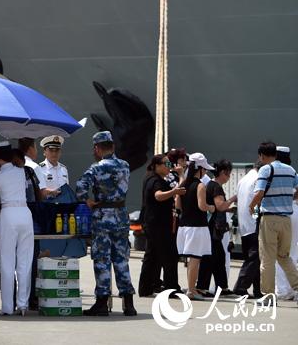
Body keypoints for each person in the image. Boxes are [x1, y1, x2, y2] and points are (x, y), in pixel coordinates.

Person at [76, 130, 137, 317]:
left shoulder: (96, 168)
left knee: (102, 260)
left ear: (97, 148)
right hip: (120, 216)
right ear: (113, 145)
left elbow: (80, 187)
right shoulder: (125, 165)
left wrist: (87, 200)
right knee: (121, 259)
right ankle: (128, 303)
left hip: (102, 217)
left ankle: (102, 302)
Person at [0, 142, 35, 316]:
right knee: (25, 261)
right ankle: (23, 304)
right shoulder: (22, 172)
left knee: (8, 262)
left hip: (8, 214)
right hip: (25, 213)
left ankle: (8, 307)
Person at [249, 141, 298, 305]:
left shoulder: (265, 169)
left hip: (269, 219)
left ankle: (269, 297)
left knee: (267, 259)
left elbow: (259, 193)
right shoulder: (291, 170)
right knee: (284, 257)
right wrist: (290, 198)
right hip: (286, 220)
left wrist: (251, 208)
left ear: (261, 155)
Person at [137, 154, 185, 297]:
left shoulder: (152, 178)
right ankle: (171, 288)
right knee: (169, 256)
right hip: (158, 224)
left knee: (152, 257)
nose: (169, 167)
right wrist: (173, 192)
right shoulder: (155, 180)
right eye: (166, 164)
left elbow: (178, 189)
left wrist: (180, 177)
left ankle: (145, 288)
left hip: (153, 223)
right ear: (157, 165)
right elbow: (158, 195)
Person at [174, 156, 215, 300]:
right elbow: (202, 206)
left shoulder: (183, 183)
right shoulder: (200, 185)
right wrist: (211, 207)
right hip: (197, 227)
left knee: (191, 260)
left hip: (184, 226)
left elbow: (178, 205)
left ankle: (191, 288)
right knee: (195, 260)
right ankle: (191, 290)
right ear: (201, 169)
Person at [197, 158, 237, 296]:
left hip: (210, 227)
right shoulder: (216, 187)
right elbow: (220, 205)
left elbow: (218, 207)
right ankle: (202, 287)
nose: (229, 177)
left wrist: (228, 209)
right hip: (213, 228)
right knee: (211, 258)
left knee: (218, 257)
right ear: (222, 173)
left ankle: (221, 287)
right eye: (228, 173)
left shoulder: (210, 185)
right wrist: (233, 199)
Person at [232, 157, 263, 297]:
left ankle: (257, 290)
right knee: (254, 258)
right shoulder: (258, 179)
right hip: (253, 224)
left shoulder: (243, 179)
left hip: (244, 225)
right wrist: (257, 217)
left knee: (255, 260)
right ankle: (240, 286)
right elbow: (256, 202)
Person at [273, 146, 298, 299]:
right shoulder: (292, 171)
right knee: (293, 252)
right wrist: (292, 196)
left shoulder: (271, 170)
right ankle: (293, 289)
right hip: (294, 210)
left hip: (278, 214)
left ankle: (283, 290)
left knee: (277, 253)